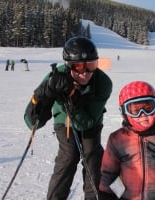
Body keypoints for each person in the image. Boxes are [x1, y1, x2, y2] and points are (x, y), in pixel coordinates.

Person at [24, 36, 113, 200]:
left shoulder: (103, 82)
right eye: (78, 66)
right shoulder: (57, 76)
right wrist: (45, 93)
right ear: (67, 64)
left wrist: (73, 100)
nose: (85, 72)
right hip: (64, 122)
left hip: (91, 123)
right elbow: (31, 121)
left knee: (92, 157)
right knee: (69, 155)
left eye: (91, 65)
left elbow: (87, 122)